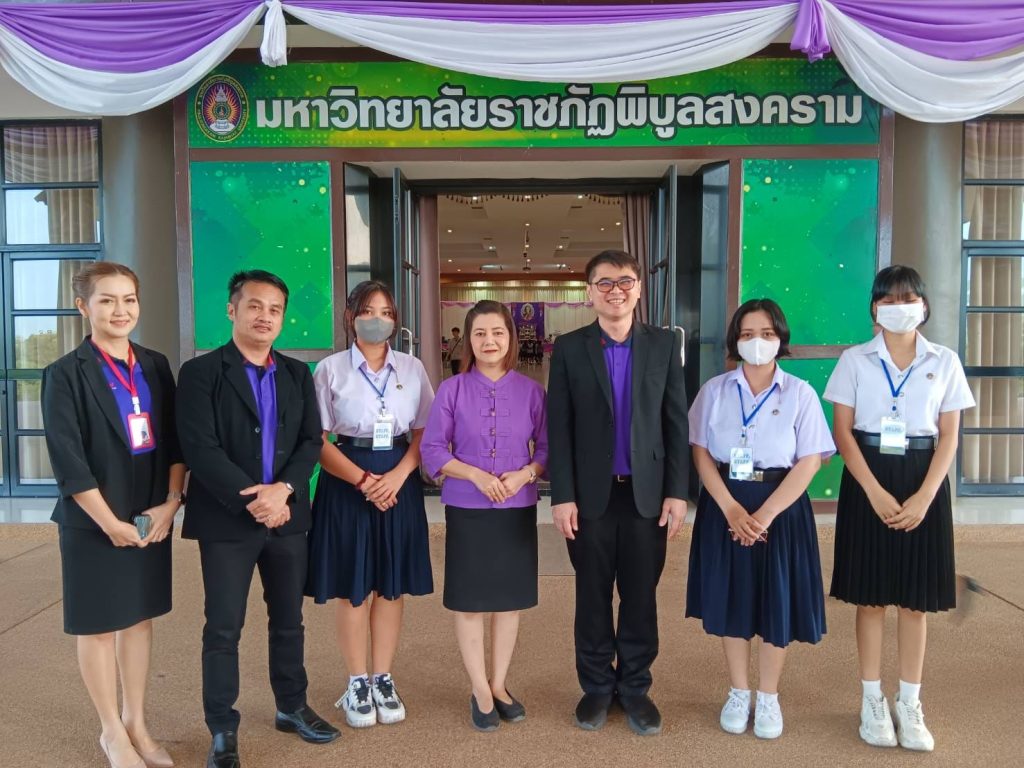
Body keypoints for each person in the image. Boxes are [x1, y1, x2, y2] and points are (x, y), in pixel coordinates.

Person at [177, 270, 339, 768]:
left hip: (287, 517)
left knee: (289, 621)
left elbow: (311, 441)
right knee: (223, 627)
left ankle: (292, 706)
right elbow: (200, 449)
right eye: (254, 306)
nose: (265, 316)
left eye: (274, 309)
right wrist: (256, 500)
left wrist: (283, 491)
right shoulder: (200, 373)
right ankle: (222, 728)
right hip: (228, 521)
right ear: (232, 310)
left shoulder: (296, 373)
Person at [824, 265, 975, 753]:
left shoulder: (944, 361)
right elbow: (843, 432)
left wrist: (927, 495)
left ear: (923, 306)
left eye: (907, 298)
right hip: (868, 478)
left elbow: (948, 436)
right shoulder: (854, 360)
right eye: (887, 300)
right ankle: (871, 699)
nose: (898, 307)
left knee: (915, 600)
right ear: (874, 308)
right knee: (870, 598)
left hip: (923, 478)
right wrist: (871, 490)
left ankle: (909, 702)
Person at [42, 262, 185, 768]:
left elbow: (175, 442)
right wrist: (109, 524)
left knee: (138, 619)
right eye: (107, 300)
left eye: (128, 299)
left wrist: (171, 503)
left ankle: (136, 722)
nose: (120, 310)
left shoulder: (155, 365)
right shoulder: (64, 374)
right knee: (99, 626)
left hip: (150, 514)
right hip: (94, 522)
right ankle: (111, 731)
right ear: (83, 307)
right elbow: (69, 461)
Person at [547, 249, 689, 736]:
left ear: (639, 288)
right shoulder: (569, 348)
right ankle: (595, 687)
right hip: (589, 498)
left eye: (625, 281)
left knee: (640, 596)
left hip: (647, 497)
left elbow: (675, 421)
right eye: (604, 283)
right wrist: (561, 495)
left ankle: (634, 688)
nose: (615, 291)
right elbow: (559, 428)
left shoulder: (664, 345)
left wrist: (677, 492)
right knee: (591, 595)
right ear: (589, 291)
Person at [685, 299, 834, 740]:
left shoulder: (800, 393)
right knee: (732, 597)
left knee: (775, 599)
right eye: (747, 334)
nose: (757, 342)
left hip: (780, 509)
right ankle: (738, 691)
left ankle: (768, 695)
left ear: (780, 338)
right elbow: (700, 452)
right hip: (725, 504)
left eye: (767, 334)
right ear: (735, 340)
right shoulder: (714, 391)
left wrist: (765, 514)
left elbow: (810, 461)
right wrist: (730, 508)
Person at [306, 280, 435, 729]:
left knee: (391, 585)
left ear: (395, 321)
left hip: (399, 479)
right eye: (367, 311)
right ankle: (357, 681)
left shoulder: (412, 368)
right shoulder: (330, 370)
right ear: (350, 317)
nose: (377, 320)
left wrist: (397, 476)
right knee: (354, 585)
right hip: (347, 479)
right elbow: (317, 439)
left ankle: (383, 677)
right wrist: (363, 480)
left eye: (386, 312)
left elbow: (424, 432)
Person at [421, 300, 548, 732]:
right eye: (480, 333)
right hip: (467, 508)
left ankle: (499, 684)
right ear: (468, 341)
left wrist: (525, 474)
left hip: (516, 508)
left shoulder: (532, 391)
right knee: (470, 601)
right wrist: (474, 474)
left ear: (511, 338)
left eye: (497, 332)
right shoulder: (451, 390)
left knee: (509, 601)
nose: (489, 341)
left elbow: (547, 449)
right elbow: (432, 449)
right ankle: (479, 688)